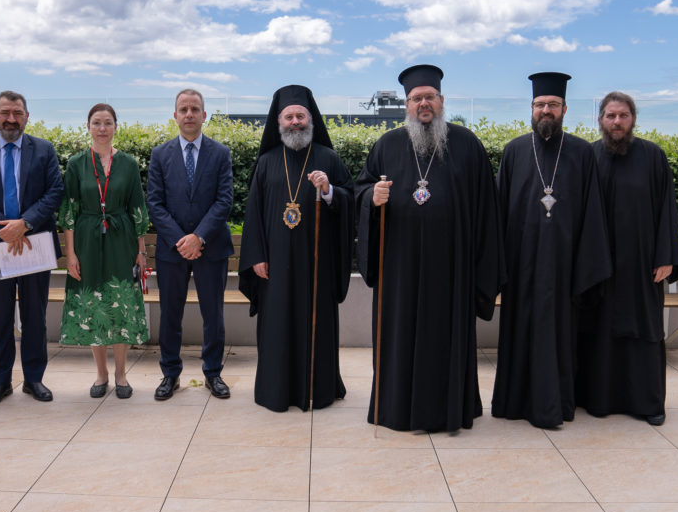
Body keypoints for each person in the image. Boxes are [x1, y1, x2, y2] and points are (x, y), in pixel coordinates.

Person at [356, 64, 504, 432]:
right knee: (398, 337)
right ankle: (396, 409)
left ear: (442, 101)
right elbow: (359, 191)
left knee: (445, 339)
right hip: (399, 271)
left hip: (450, 270)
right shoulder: (386, 145)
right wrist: (370, 199)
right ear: (406, 105)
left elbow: (487, 210)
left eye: (430, 97)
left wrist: (481, 271)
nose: (424, 104)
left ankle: (448, 410)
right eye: (416, 98)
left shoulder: (468, 144)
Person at [492, 71, 611, 428]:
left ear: (564, 109)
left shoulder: (581, 152)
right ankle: (514, 402)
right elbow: (499, 210)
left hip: (563, 264)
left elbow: (593, 211)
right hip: (521, 263)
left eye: (553, 105)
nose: (547, 110)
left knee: (559, 333)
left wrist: (585, 264)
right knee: (520, 331)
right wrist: (498, 264)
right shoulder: (514, 150)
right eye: (541, 104)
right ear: (531, 108)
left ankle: (555, 403)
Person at [239, 85, 354, 412]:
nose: (295, 122)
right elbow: (253, 215)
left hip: (316, 265)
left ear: (311, 119)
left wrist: (329, 190)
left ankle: (318, 388)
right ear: (279, 122)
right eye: (288, 117)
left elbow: (350, 202)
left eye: (300, 116)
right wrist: (256, 255)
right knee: (276, 328)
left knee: (314, 324)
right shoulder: (266, 162)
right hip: (273, 263)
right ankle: (276, 390)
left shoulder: (328, 158)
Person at [577, 92, 678, 426]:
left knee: (643, 332)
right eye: (610, 116)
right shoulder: (588, 156)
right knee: (598, 331)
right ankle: (598, 400)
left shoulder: (653, 156)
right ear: (600, 119)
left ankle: (648, 403)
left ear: (633, 119)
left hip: (643, 267)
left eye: (623, 116)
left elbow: (666, 208)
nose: (616, 122)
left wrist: (666, 256)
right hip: (598, 265)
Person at [0, 91, 64, 407]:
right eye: (5, 112)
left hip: (33, 245)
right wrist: (4, 228)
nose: (11, 119)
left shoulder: (43, 150)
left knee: (35, 318)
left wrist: (25, 223)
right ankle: (0, 382)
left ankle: (34, 380)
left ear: (27, 116)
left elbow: (54, 191)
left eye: (17, 113)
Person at [147, 89, 234, 400]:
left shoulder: (221, 153)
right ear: (175, 116)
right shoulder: (159, 154)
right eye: (183, 109)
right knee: (171, 315)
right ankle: (170, 374)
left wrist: (199, 237)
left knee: (214, 315)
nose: (189, 114)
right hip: (172, 251)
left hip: (211, 248)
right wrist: (181, 240)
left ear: (204, 115)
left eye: (194, 109)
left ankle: (213, 374)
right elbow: (155, 203)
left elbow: (225, 200)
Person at [59, 104, 149, 397]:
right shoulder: (76, 163)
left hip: (121, 240)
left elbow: (138, 210)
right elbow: (69, 212)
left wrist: (141, 250)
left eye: (107, 123)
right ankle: (101, 375)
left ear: (115, 127)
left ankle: (121, 375)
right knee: (94, 306)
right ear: (88, 126)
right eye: (96, 123)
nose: (102, 128)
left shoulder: (129, 164)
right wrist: (70, 254)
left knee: (119, 303)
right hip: (86, 241)